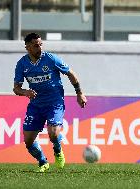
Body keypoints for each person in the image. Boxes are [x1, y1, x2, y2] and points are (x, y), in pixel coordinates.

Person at [13, 33, 87, 173]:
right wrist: (25, 92)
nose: (39, 47)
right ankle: (43, 161)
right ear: (27, 47)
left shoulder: (51, 59)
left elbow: (71, 73)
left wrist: (79, 93)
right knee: (28, 141)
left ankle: (57, 150)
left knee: (53, 133)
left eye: (41, 44)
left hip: (54, 102)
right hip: (36, 105)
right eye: (36, 45)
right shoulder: (22, 64)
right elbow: (16, 88)